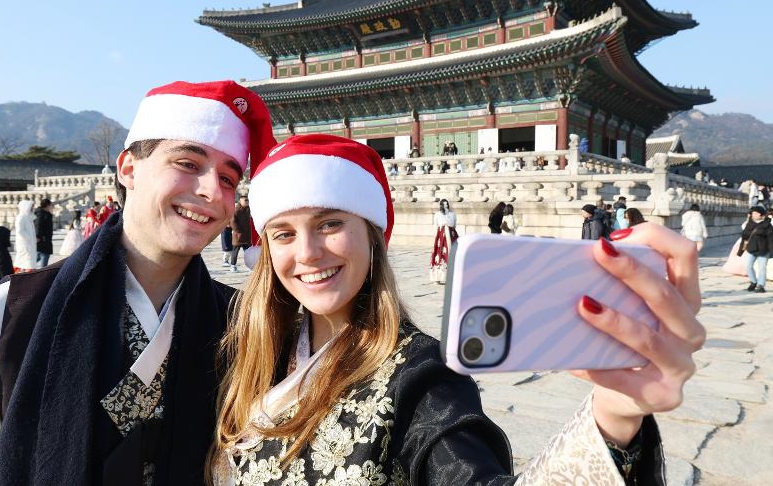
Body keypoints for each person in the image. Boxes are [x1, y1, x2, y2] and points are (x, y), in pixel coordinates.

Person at [210, 133, 704, 485]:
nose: (307, 253)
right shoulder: (258, 346)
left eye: (330, 224)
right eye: (283, 234)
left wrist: (615, 415)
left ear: (372, 235)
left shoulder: (420, 376)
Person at [0, 80, 277, 485]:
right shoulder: (8, 314)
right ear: (128, 168)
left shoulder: (246, 325)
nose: (211, 191)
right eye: (187, 164)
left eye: (227, 178)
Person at [739, 205, 773, 293]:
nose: (753, 214)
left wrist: (771, 251)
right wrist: (740, 250)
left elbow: (771, 239)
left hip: (763, 250)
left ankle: (761, 285)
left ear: (760, 214)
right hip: (751, 249)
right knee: (748, 266)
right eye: (752, 213)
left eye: (755, 213)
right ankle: (753, 282)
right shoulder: (749, 223)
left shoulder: (767, 225)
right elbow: (744, 236)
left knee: (762, 268)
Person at [429, 198, 457, 283]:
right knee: (440, 254)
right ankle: (438, 277)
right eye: (444, 204)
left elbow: (454, 225)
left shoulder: (452, 214)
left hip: (451, 234)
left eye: (447, 204)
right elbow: (436, 226)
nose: (446, 205)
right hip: (442, 235)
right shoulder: (438, 214)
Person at [229, 195, 252, 273]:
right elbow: (232, 221)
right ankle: (233, 266)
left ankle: (250, 267)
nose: (247, 202)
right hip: (238, 236)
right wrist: (238, 231)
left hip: (247, 235)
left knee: (248, 253)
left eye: (247, 201)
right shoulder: (236, 210)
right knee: (235, 252)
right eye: (245, 201)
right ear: (240, 201)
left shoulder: (249, 209)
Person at [12, 199, 37, 272]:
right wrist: (29, 238)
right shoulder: (21, 217)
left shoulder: (28, 217)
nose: (32, 209)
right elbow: (19, 230)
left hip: (29, 244)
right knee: (26, 262)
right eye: (31, 207)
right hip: (24, 244)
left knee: (27, 261)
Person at [34, 197, 54, 267]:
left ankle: (25, 268)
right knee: (44, 256)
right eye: (51, 205)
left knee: (38, 257)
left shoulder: (45, 214)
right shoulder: (41, 214)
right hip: (43, 240)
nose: (52, 207)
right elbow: (38, 225)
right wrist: (38, 236)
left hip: (45, 240)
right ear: (47, 205)